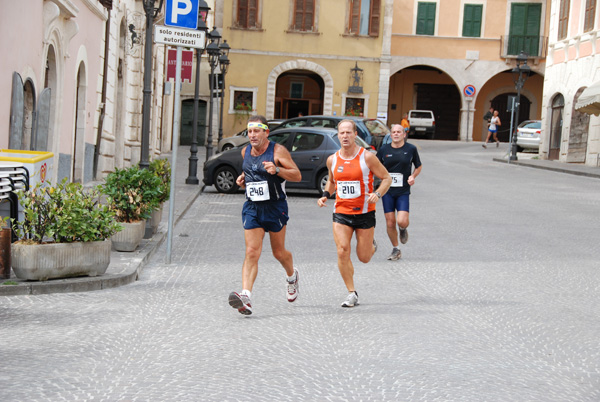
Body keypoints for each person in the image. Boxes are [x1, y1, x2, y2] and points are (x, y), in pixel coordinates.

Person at [228, 115, 302, 316]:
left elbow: (297, 175)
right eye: (250, 131)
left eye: (256, 131)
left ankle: (291, 276)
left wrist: (277, 170)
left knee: (279, 253)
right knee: (252, 251)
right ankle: (246, 297)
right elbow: (252, 172)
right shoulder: (246, 151)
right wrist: (244, 179)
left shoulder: (277, 151)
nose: (252, 135)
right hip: (252, 207)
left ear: (266, 132)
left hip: (275, 207)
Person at [317, 119, 392, 308]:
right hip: (341, 212)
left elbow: (386, 178)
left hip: (365, 212)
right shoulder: (332, 160)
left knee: (364, 257)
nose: (345, 136)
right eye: (341, 133)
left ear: (355, 135)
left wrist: (377, 193)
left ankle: (371, 245)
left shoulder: (367, 157)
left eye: (348, 132)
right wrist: (326, 195)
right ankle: (351, 292)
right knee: (342, 250)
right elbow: (333, 182)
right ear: (338, 135)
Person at [376, 124, 422, 261]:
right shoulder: (384, 149)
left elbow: (418, 166)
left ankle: (402, 229)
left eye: (398, 132)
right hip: (387, 191)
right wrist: (381, 178)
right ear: (391, 135)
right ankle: (396, 248)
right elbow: (375, 165)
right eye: (393, 132)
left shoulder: (411, 149)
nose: (396, 134)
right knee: (390, 222)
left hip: (402, 191)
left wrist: (413, 176)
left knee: (401, 221)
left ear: (404, 134)